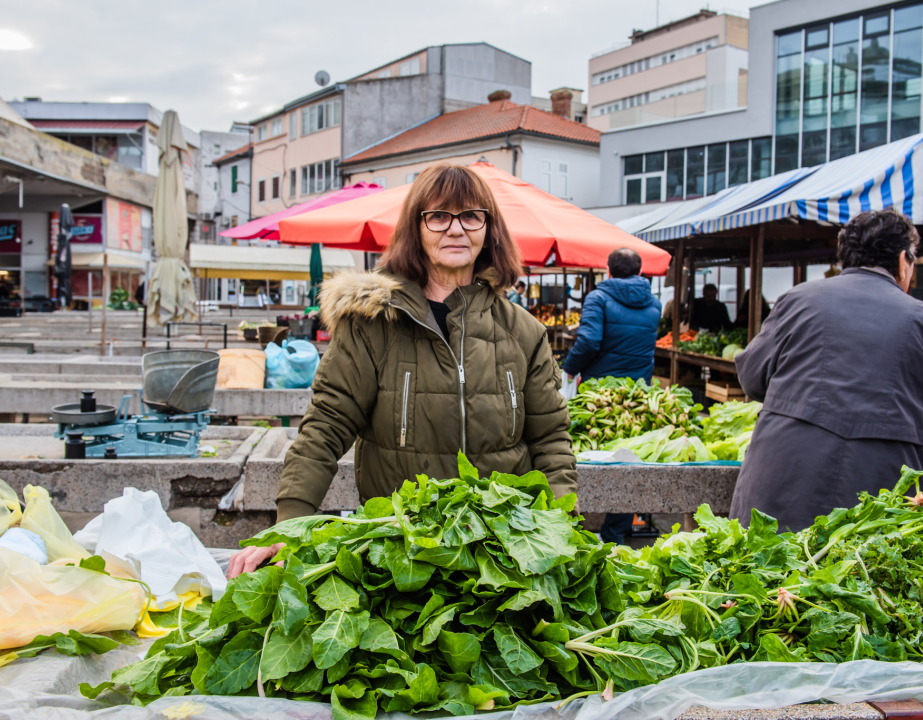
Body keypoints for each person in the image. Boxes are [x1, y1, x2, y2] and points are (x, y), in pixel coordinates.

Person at [227, 164, 578, 578]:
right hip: (399, 553)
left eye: (470, 216)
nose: (456, 229)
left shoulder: (522, 331)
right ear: (417, 227)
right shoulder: (372, 323)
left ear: (489, 229)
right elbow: (325, 427)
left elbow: (551, 440)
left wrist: (558, 530)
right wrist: (289, 527)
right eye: (438, 216)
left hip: (503, 556)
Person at [731, 209, 923, 531]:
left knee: (772, 570)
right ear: (904, 260)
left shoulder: (798, 299)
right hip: (880, 487)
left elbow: (752, 378)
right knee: (860, 574)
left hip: (784, 474)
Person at [562, 247, 661, 546]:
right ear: (641, 272)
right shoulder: (654, 304)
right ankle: (614, 535)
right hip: (636, 396)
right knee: (627, 462)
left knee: (588, 454)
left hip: (598, 395)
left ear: (608, 271)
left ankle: (577, 525)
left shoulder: (598, 298)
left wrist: (569, 368)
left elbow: (590, 341)